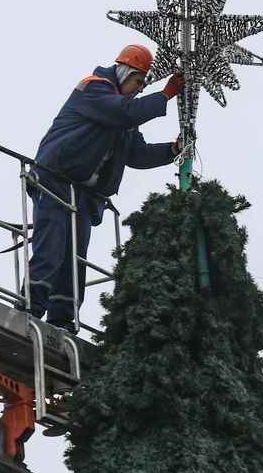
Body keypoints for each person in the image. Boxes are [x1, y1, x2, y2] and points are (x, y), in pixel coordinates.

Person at [25, 44, 185, 333]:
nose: (138, 89)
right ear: (125, 73)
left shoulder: (123, 115)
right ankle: (29, 311)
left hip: (84, 195)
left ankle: (63, 322)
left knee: (74, 261)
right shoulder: (94, 89)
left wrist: (172, 150)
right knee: (50, 250)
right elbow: (125, 113)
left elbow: (136, 154)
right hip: (56, 180)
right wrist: (165, 95)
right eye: (137, 82)